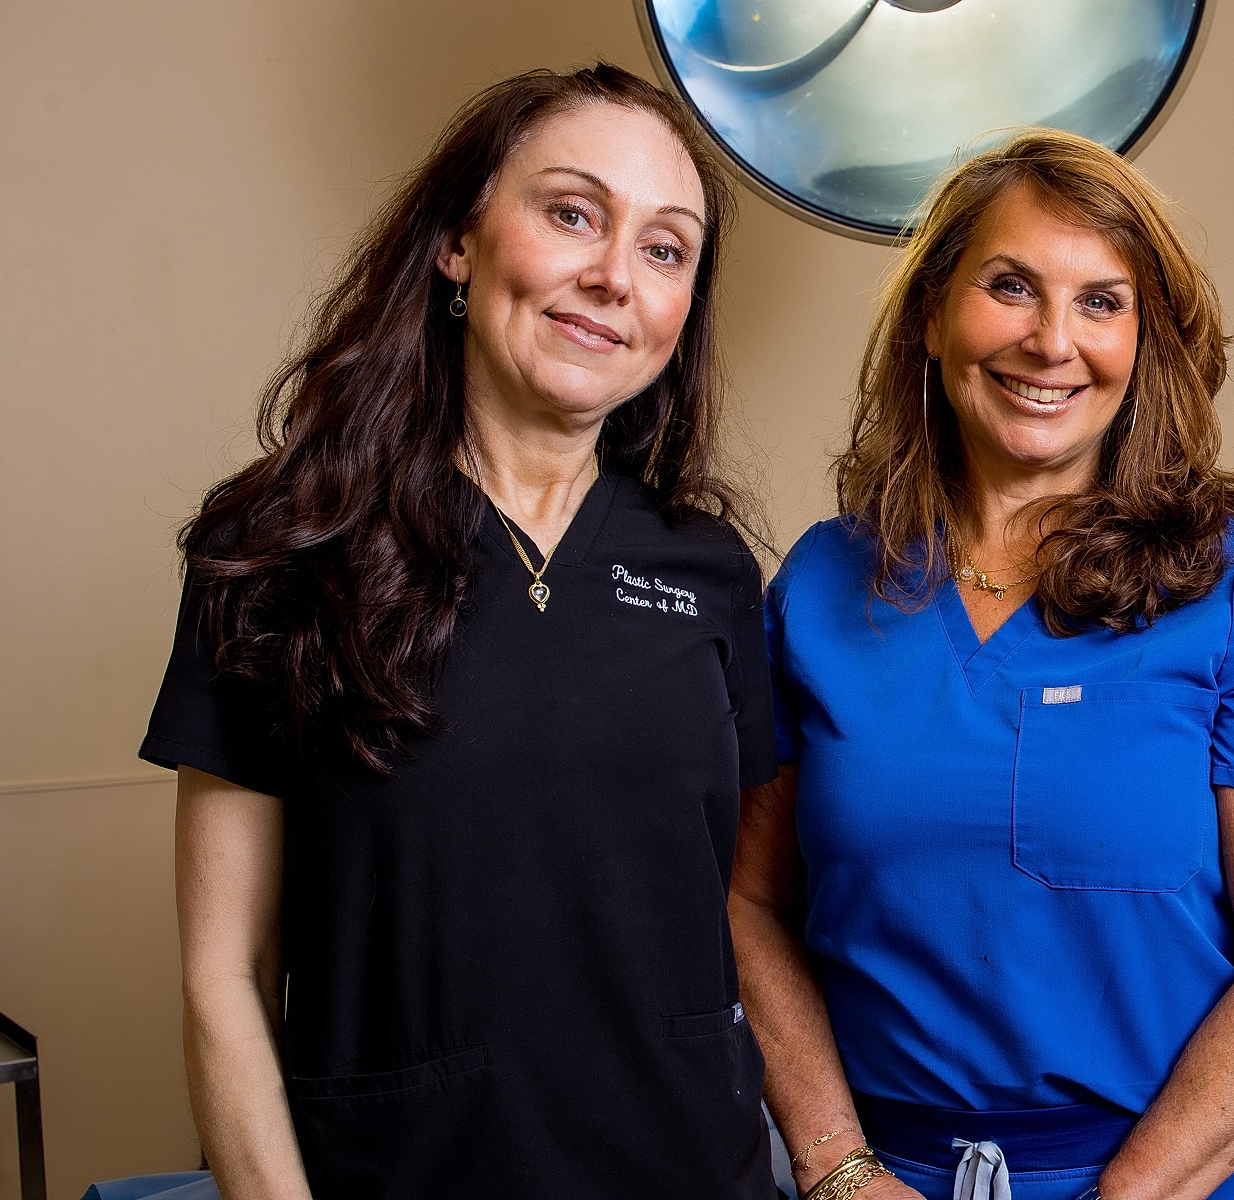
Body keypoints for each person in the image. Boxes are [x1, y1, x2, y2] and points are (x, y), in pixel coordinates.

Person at [138, 64, 778, 1199]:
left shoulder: (711, 573)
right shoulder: (286, 546)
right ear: (457, 242)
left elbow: (739, 911)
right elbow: (223, 976)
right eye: (572, 213)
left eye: (665, 248)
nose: (612, 277)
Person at [733, 129, 1234, 1200]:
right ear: (934, 313)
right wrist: (838, 1169)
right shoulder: (824, 585)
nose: (1049, 340)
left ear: (1146, 344)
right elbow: (748, 905)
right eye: (1010, 286)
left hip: (1174, 1179)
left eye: (1101, 302)